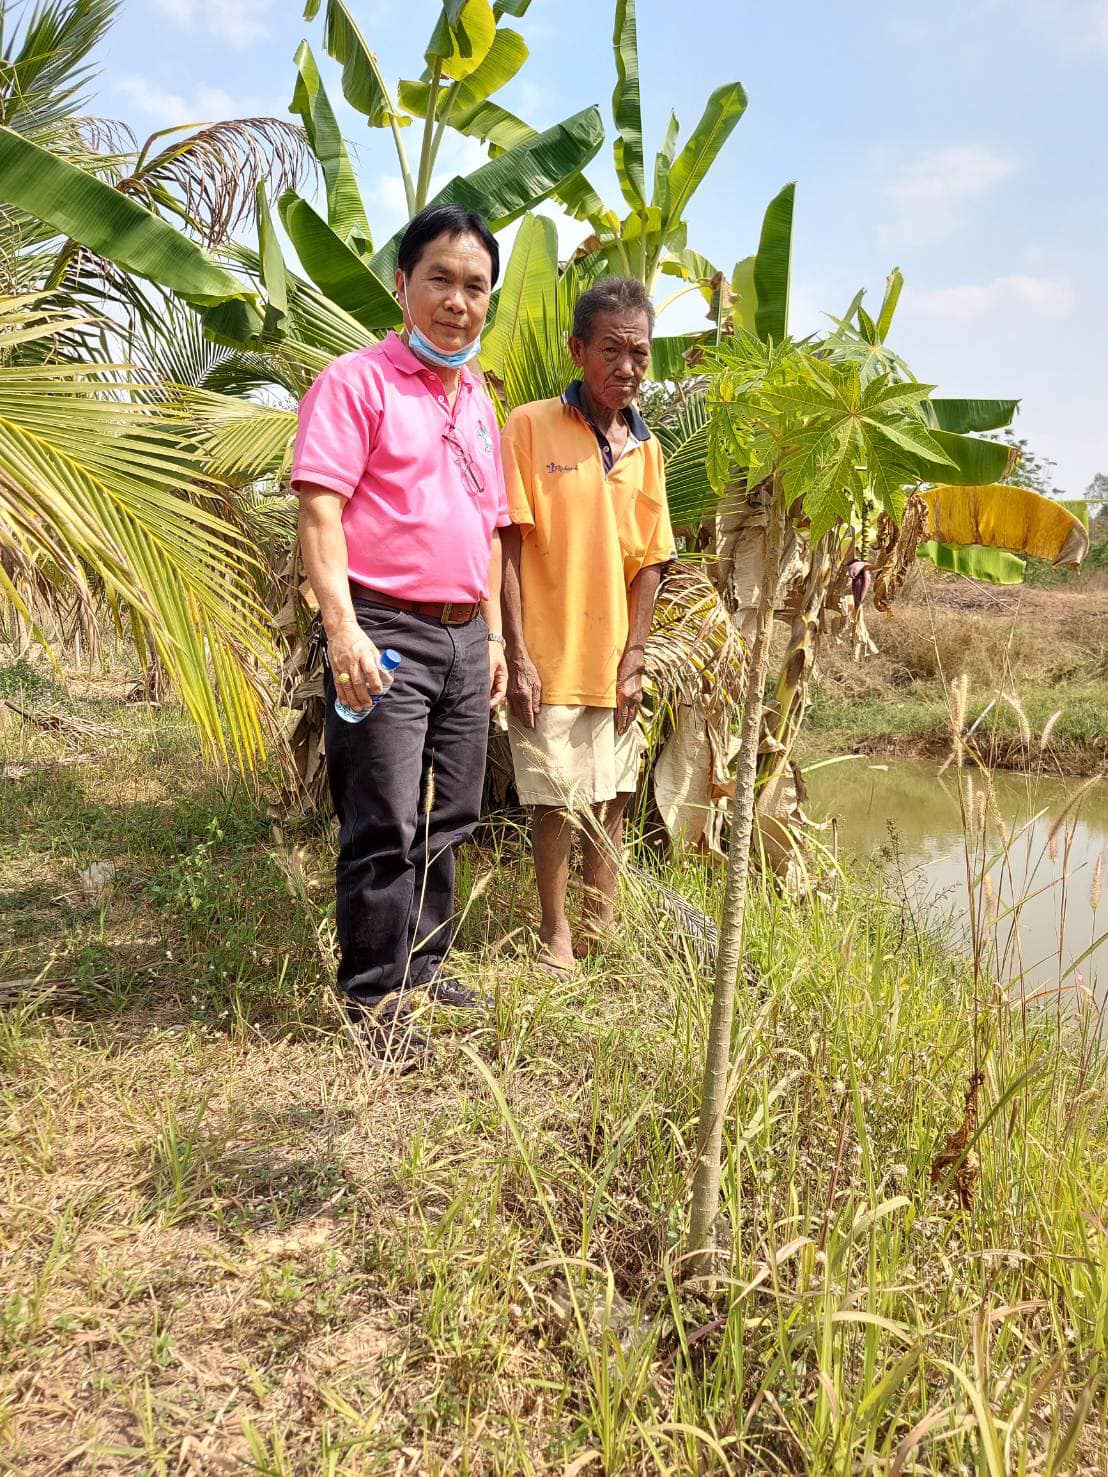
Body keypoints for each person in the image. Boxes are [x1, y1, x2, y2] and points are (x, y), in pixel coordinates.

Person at [292, 203, 509, 1068]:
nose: (458, 301)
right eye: (441, 280)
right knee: (382, 816)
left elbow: (490, 530)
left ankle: (423, 961)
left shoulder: (480, 399)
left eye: (475, 287)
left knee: (451, 814)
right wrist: (340, 628)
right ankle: (375, 999)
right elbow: (319, 510)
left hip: (463, 638)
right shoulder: (357, 382)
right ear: (403, 285)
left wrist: (492, 636)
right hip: (382, 628)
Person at [499, 277, 676, 974]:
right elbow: (507, 542)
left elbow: (652, 562)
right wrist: (515, 653)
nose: (627, 367)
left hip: (612, 663)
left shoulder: (647, 449)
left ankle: (604, 926)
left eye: (640, 353)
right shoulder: (530, 426)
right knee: (552, 804)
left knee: (612, 799)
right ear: (578, 349)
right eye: (611, 350)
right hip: (547, 654)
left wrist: (634, 657)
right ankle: (555, 934)